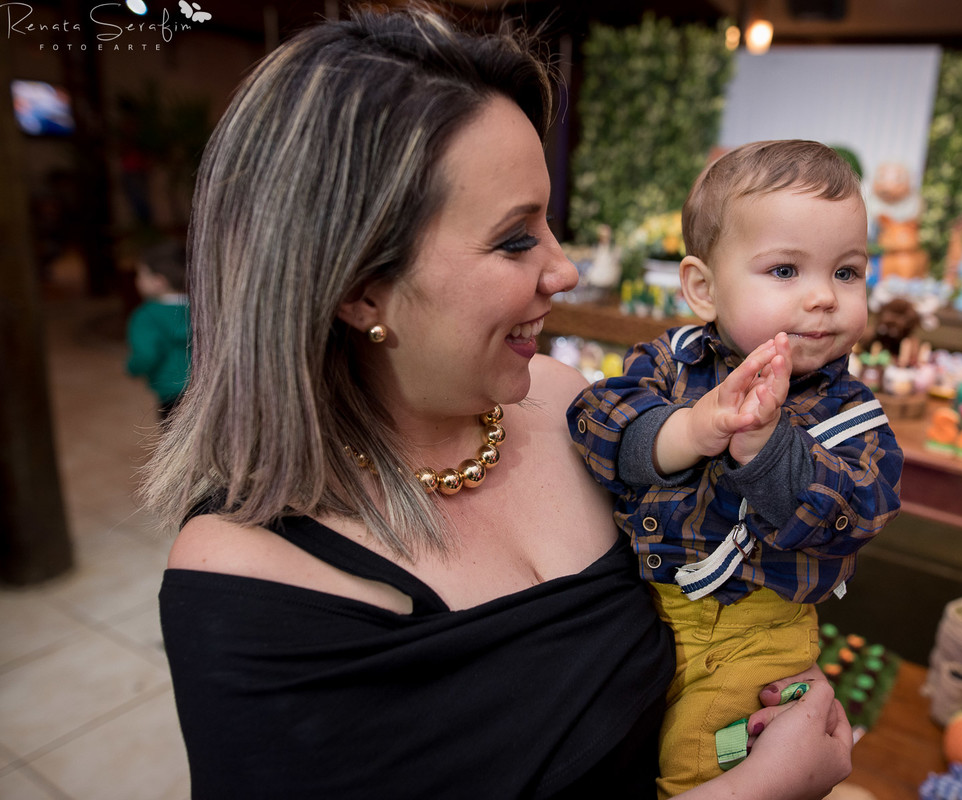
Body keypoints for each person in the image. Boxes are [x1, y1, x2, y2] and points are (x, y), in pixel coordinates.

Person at [142, 8, 853, 799]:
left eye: (549, 223)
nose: (564, 271)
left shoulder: (567, 404)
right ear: (358, 287)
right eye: (516, 239)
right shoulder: (251, 573)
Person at [568, 140, 904, 795]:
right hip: (641, 609)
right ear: (702, 286)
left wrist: (769, 449)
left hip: (754, 637)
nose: (823, 298)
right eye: (785, 271)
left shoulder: (853, 417)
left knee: (702, 767)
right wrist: (690, 429)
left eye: (846, 272)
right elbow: (596, 421)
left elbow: (856, 515)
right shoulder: (672, 363)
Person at [126, 238, 190, 420]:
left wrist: (132, 368)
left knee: (176, 443)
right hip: (206, 390)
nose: (137, 280)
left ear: (158, 281)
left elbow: (146, 354)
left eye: (141, 274)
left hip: (171, 394)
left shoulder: (146, 316)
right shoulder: (202, 310)